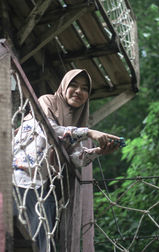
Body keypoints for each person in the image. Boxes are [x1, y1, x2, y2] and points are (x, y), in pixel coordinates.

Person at [13, 69, 121, 251]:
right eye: (73, 85)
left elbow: (75, 159)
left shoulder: (76, 122)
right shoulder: (47, 101)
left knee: (45, 242)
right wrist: (88, 132)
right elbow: (49, 130)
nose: (79, 91)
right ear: (64, 86)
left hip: (41, 186)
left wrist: (99, 151)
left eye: (85, 88)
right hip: (17, 176)